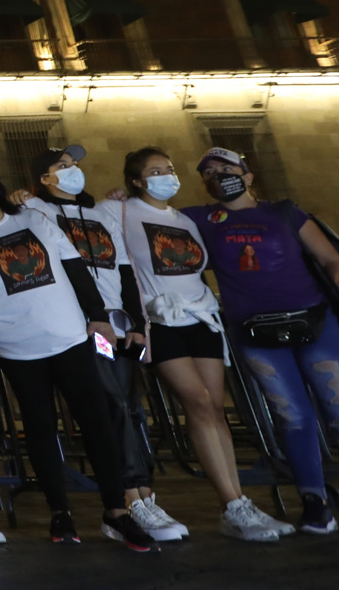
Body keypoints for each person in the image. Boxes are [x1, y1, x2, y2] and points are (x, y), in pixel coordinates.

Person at [183, 147, 339, 540]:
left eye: (227, 168)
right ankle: (314, 505)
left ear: (248, 175)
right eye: (209, 171)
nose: (219, 175)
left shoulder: (284, 211)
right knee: (293, 417)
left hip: (317, 322)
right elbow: (149, 217)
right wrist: (121, 196)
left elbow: (331, 260)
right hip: (254, 330)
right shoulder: (200, 218)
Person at [0, 161, 159, 551]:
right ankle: (59, 511)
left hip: (70, 336)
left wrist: (97, 316)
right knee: (40, 428)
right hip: (15, 346)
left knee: (98, 421)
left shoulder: (34, 219)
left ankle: (116, 511)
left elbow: (76, 268)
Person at [97, 148, 293, 541]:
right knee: (198, 402)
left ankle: (236, 502)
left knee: (215, 409)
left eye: (168, 169)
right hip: (159, 319)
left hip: (201, 317)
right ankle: (233, 505)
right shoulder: (118, 210)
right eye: (154, 171)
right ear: (135, 180)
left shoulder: (186, 219)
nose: (165, 176)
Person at [21, 147, 183, 543]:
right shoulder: (36, 212)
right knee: (109, 404)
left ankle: (144, 492)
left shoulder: (101, 215)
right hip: (80, 326)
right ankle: (129, 497)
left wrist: (136, 323)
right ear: (44, 178)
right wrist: (18, 198)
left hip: (117, 324)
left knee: (129, 406)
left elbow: (125, 270)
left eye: (75, 164)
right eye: (62, 166)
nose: (72, 171)